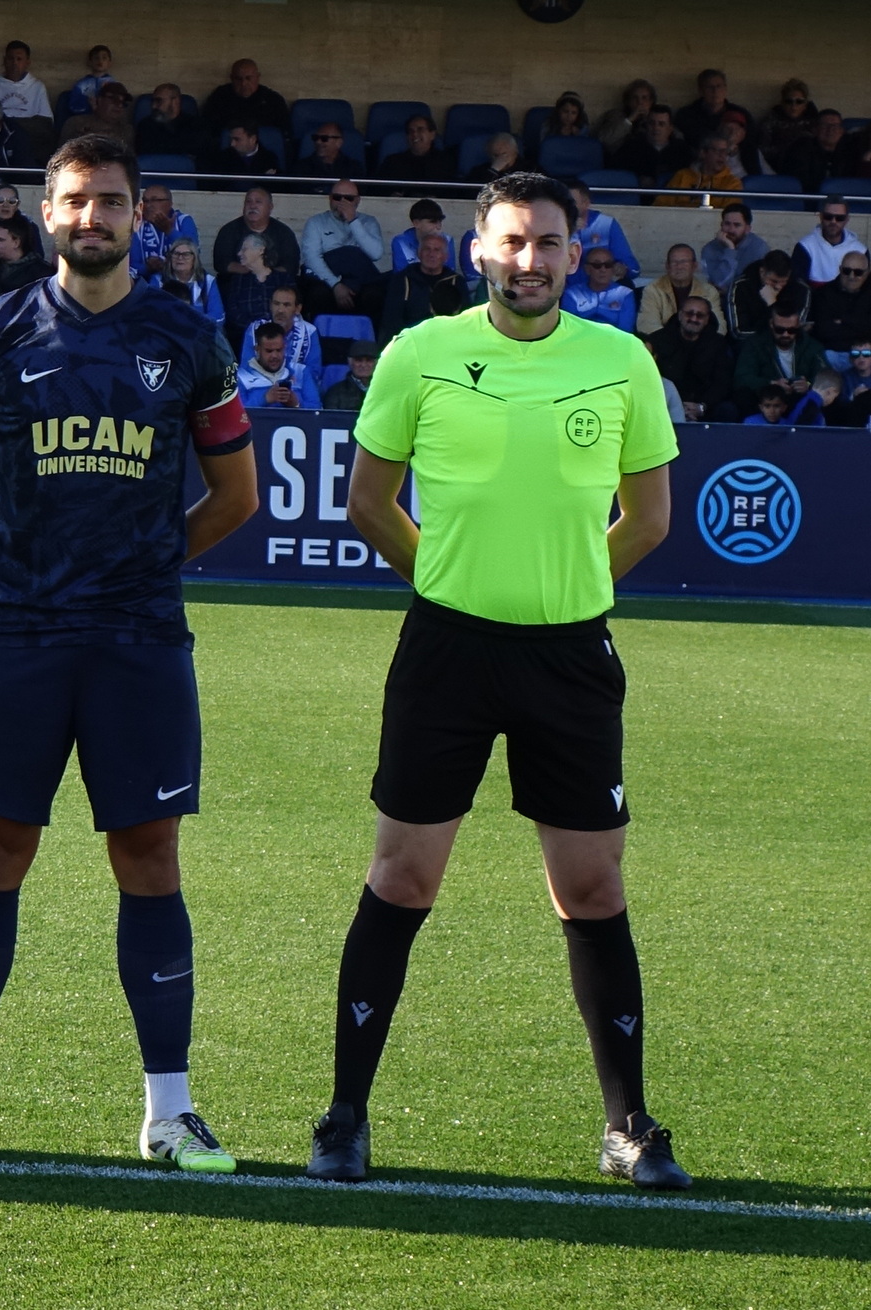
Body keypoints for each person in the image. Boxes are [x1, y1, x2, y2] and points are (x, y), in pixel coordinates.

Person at [309, 171, 687, 1192]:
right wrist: (446, 579)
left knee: (591, 886)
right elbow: (370, 502)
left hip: (570, 658)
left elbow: (649, 517)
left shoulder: (620, 360)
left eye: (547, 243)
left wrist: (568, 588)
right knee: (403, 876)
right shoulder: (419, 353)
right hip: (446, 652)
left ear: (575, 253)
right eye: (512, 241)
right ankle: (344, 1115)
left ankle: (627, 1124)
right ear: (479, 248)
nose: (529, 261)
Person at [0, 131, 258, 1172]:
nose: (91, 216)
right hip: (20, 634)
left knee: (148, 857)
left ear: (140, 216)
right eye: (74, 200)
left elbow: (234, 494)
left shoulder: (188, 338)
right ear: (45, 213)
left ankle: (169, 1112)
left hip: (140, 639)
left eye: (110, 201)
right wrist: (12, 549)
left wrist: (147, 563)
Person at [302, 182, 384, 314]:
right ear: (330, 198)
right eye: (337, 197)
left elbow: (376, 254)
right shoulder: (316, 222)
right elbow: (312, 258)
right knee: (316, 293)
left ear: (357, 200)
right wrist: (335, 285)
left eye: (349, 199)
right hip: (327, 278)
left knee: (375, 294)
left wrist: (353, 221)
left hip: (360, 279)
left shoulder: (369, 222)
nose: (342, 203)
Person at [646, 295, 732, 422]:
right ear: (680, 315)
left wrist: (702, 406)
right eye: (689, 313)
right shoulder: (657, 340)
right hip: (665, 404)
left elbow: (722, 382)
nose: (694, 319)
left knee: (727, 410)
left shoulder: (718, 344)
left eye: (700, 315)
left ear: (707, 319)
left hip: (704, 407)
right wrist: (677, 407)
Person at [733, 304, 828, 403]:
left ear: (798, 326)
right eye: (780, 330)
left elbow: (826, 379)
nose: (785, 334)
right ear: (771, 324)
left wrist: (808, 385)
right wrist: (772, 384)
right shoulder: (755, 344)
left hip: (801, 401)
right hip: (767, 402)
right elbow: (741, 379)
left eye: (791, 330)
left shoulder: (812, 346)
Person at [0, 41, 53, 156]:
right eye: (10, 59)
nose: (14, 63)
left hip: (28, 138)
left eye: (19, 59)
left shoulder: (37, 87)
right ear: (4, 61)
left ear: (27, 62)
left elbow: (46, 122)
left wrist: (13, 125)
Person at [379, 230, 460, 340]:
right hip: (411, 340)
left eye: (437, 250)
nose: (431, 254)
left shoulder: (457, 282)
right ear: (418, 253)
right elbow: (391, 322)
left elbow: (465, 319)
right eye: (427, 249)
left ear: (446, 257)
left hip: (448, 339)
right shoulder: (401, 280)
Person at [221, 233, 294, 345]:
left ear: (261, 250)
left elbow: (291, 309)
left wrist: (271, 329)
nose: (239, 253)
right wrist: (256, 329)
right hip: (245, 339)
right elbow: (233, 313)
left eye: (244, 249)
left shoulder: (283, 279)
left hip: (282, 338)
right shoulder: (237, 281)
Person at [635, 243, 721, 337]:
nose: (679, 267)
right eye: (674, 262)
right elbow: (647, 325)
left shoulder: (709, 291)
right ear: (667, 266)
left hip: (700, 343)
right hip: (663, 342)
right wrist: (674, 342)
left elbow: (719, 327)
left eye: (684, 262)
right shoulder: (653, 289)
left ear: (694, 266)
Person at [212, 185, 298, 279]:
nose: (252, 206)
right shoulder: (229, 230)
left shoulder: (284, 233)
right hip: (236, 284)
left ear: (270, 207)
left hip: (275, 284)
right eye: (248, 202)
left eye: (258, 202)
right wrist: (253, 272)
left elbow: (291, 266)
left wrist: (265, 275)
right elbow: (221, 263)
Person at [568, 181, 637, 284]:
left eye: (571, 202)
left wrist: (622, 268)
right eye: (563, 202)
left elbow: (633, 268)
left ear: (586, 203)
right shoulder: (553, 225)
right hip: (565, 290)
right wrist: (569, 232)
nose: (566, 206)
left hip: (600, 289)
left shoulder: (606, 224)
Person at [237, 321, 318, 408]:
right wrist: (264, 399)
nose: (274, 356)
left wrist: (296, 404)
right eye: (269, 351)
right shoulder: (241, 377)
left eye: (279, 350)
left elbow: (317, 410)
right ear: (257, 349)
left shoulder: (301, 372)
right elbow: (237, 413)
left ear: (284, 347)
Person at [199, 57, 289, 135]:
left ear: (257, 77)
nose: (243, 83)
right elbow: (206, 129)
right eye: (238, 79)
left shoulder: (273, 100)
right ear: (231, 78)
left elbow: (284, 134)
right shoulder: (219, 97)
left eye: (248, 78)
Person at [241, 283, 317, 371]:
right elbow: (246, 367)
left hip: (296, 380)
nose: (280, 310)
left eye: (286, 305)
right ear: (270, 305)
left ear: (297, 309)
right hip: (259, 379)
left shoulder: (310, 331)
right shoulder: (254, 329)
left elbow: (314, 371)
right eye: (276, 304)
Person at [791, 199, 866, 288]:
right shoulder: (805, 247)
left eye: (839, 218)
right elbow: (798, 287)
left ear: (847, 220)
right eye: (828, 217)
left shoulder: (861, 250)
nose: (833, 221)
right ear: (821, 217)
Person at [653, 135, 743, 208]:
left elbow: (731, 215)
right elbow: (660, 206)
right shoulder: (682, 175)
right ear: (703, 153)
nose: (722, 156)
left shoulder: (732, 183)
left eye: (725, 151)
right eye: (717, 151)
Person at [806, 252, 871, 353]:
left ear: (867, 273)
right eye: (846, 271)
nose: (851, 276)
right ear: (840, 269)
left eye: (858, 272)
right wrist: (858, 324)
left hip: (866, 354)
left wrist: (843, 320)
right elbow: (822, 331)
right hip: (833, 352)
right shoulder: (823, 293)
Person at [130, 184, 194, 284]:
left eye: (155, 200)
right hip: (144, 286)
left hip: (180, 284)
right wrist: (148, 268)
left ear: (169, 203)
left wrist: (169, 231)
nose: (148, 205)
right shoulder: (136, 223)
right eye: (145, 201)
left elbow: (193, 255)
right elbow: (132, 265)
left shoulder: (183, 221)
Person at [609, 104, 687, 185]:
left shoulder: (682, 150)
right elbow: (615, 174)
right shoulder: (631, 148)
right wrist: (637, 179)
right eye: (652, 123)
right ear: (646, 125)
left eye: (661, 124)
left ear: (670, 128)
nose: (656, 128)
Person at [562, 248, 638, 332]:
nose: (603, 270)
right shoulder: (572, 294)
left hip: (614, 339)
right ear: (587, 269)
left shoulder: (625, 294)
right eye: (597, 265)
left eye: (608, 265)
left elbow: (626, 330)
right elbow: (569, 328)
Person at [727, 248, 796, 339]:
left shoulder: (797, 287)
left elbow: (797, 329)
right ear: (762, 272)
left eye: (784, 281)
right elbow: (739, 332)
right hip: (750, 344)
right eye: (774, 281)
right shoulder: (740, 287)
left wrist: (773, 305)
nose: (778, 287)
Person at [698, 202, 767, 291]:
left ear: (747, 229)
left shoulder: (759, 248)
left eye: (737, 225)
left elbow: (760, 284)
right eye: (727, 224)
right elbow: (719, 282)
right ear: (721, 225)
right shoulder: (709, 249)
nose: (731, 229)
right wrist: (730, 250)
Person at [673, 69, 745, 154]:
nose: (715, 91)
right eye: (709, 87)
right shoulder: (686, 115)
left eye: (719, 86)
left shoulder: (740, 114)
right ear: (700, 90)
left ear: (725, 88)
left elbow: (750, 143)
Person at [781, 111, 850, 194]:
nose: (830, 130)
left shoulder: (849, 151)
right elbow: (800, 183)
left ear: (842, 131)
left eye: (835, 126)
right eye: (825, 125)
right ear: (815, 130)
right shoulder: (801, 149)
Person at [378, 115, 457, 187]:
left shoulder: (446, 162)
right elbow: (378, 189)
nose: (415, 134)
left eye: (420, 130)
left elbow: (453, 191)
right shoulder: (392, 162)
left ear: (432, 135)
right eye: (411, 131)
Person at [160, 237, 223, 327]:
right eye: (176, 253)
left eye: (186, 254)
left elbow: (218, 316)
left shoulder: (208, 282)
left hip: (200, 331)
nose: (180, 258)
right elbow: (152, 311)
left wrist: (191, 325)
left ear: (195, 258)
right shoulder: (159, 280)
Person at [133, 83, 205, 159]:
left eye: (159, 101)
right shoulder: (145, 125)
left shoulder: (196, 126)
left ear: (175, 102)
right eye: (153, 101)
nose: (153, 106)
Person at [596, 79, 655, 153]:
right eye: (635, 98)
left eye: (644, 98)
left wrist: (647, 120)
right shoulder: (615, 116)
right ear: (628, 101)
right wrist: (629, 120)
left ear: (651, 101)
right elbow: (603, 140)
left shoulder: (658, 116)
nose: (640, 102)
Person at [204, 122, 280, 178]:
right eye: (231, 139)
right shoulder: (221, 158)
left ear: (253, 139)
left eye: (237, 139)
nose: (232, 144)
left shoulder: (269, 159)